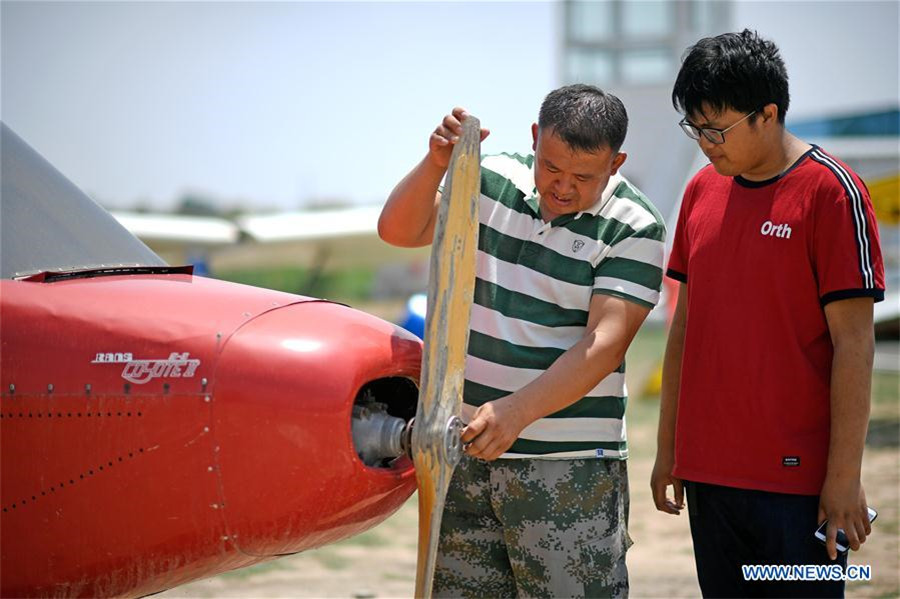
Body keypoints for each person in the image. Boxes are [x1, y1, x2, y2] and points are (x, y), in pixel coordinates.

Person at [379, 84, 665, 598]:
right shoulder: (488, 179)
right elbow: (398, 231)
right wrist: (436, 163)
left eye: (584, 177)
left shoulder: (635, 226)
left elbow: (605, 343)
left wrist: (517, 412)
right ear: (535, 138)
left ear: (617, 161)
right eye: (551, 167)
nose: (562, 187)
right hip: (464, 453)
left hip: (568, 471)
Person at [650, 30, 885, 598]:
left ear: (768, 114)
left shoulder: (834, 194)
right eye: (695, 128)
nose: (705, 144)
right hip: (709, 475)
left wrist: (843, 478)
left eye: (717, 129)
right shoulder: (701, 192)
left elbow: (855, 344)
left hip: (799, 487)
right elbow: (685, 325)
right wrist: (668, 450)